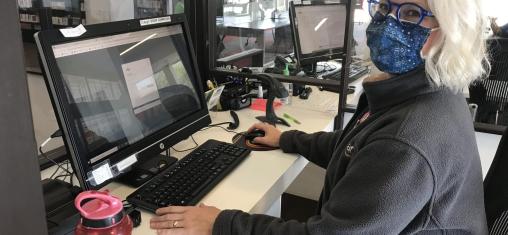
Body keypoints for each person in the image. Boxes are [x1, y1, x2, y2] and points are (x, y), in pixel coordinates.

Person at [150, 0, 490, 234]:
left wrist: (220, 224)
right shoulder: (427, 91)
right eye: (386, 6)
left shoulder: (406, 140)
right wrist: (288, 138)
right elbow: (358, 150)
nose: (389, 22)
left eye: (414, 12)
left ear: (452, 29)